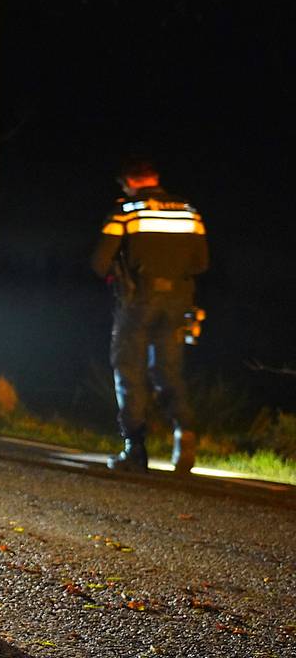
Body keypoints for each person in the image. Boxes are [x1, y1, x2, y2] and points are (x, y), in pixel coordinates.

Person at [91, 158, 208, 473]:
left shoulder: (126, 212)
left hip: (137, 302)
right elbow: (201, 263)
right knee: (168, 371)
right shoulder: (189, 211)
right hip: (177, 304)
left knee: (129, 372)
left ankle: (135, 449)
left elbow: (100, 263)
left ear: (129, 182)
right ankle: (185, 432)